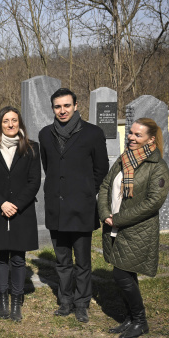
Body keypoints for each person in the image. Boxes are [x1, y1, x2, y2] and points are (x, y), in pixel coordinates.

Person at [38, 88, 108, 323]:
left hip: (81, 207)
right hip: (56, 207)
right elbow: (49, 167)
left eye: (67, 105)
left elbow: (101, 169)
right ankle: (65, 300)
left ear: (76, 105)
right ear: (53, 109)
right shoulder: (45, 134)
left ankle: (82, 303)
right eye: (58, 107)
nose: (62, 110)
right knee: (62, 260)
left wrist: (87, 191)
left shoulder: (93, 133)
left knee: (82, 260)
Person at [98, 118, 169, 338]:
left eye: (138, 135)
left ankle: (141, 321)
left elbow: (153, 202)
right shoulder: (123, 159)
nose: (131, 137)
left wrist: (119, 218)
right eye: (131, 133)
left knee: (121, 274)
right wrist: (105, 213)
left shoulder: (157, 166)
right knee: (126, 273)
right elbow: (105, 185)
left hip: (136, 229)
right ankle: (130, 318)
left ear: (150, 139)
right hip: (114, 223)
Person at [0, 107, 41, 322]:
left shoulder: (32, 148)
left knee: (18, 257)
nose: (10, 124)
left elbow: (34, 181)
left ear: (20, 123)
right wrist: (1, 203)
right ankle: (3, 300)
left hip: (21, 210)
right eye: (5, 121)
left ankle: (16, 299)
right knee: (0, 257)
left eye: (14, 120)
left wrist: (15, 204)